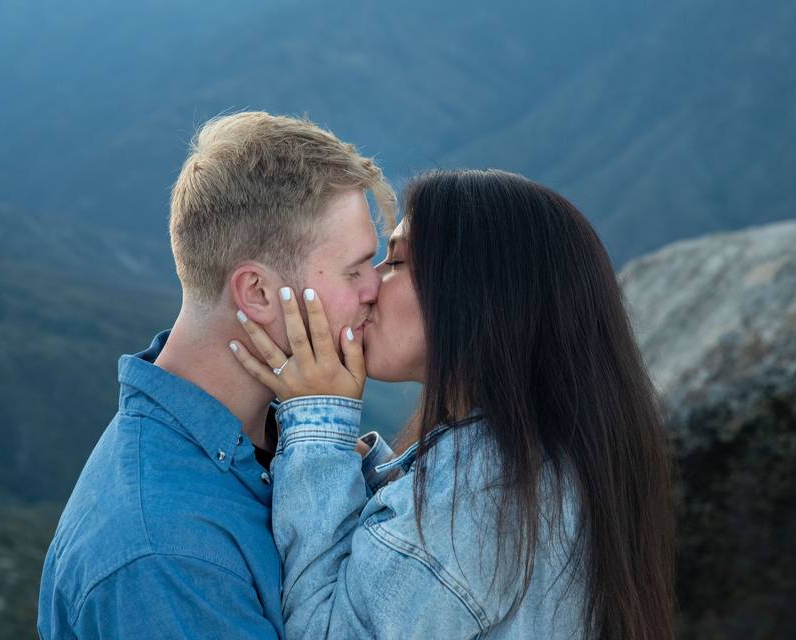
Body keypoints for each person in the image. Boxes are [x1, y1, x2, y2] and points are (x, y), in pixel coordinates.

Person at [230, 169, 677, 639]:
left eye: (396, 263)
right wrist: (356, 466)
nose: (370, 287)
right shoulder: (530, 466)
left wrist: (318, 428)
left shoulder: (479, 497)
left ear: (477, 294)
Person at [37, 111, 396, 639]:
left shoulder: (266, 438)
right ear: (256, 293)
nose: (376, 288)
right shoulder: (165, 554)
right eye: (355, 269)